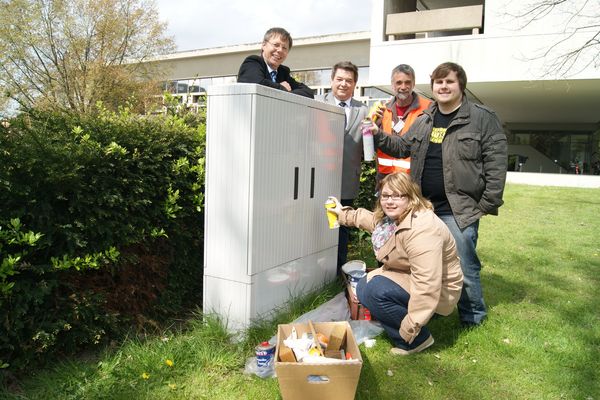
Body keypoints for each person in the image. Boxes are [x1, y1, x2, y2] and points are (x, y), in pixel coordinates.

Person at [370, 62, 508, 327]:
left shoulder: (481, 118)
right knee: (425, 263)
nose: (443, 87)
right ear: (432, 87)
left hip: (458, 208)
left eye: (449, 82)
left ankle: (473, 317)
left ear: (461, 85)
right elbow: (401, 147)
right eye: (438, 82)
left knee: (463, 265)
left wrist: (488, 202)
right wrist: (377, 134)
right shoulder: (425, 119)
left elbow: (496, 160)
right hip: (423, 208)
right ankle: (428, 312)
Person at [328, 173, 463, 355]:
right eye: (385, 196)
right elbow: (371, 221)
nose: (390, 201)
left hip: (439, 290)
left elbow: (427, 285)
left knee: (373, 290)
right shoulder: (394, 219)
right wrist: (343, 214)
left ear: (411, 197)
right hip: (411, 275)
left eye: (398, 196)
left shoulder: (422, 230)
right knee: (365, 286)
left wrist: (410, 327)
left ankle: (417, 340)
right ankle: (399, 318)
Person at [320, 61, 368, 271]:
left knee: (342, 226)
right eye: (339, 79)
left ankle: (339, 271)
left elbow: (368, 146)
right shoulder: (316, 103)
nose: (343, 84)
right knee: (319, 224)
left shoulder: (363, 110)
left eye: (349, 80)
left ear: (355, 84)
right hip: (319, 177)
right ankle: (317, 270)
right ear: (332, 80)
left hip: (348, 178)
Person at [375, 64, 431, 186]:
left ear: (413, 84)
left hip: (413, 180)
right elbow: (370, 146)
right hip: (385, 179)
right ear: (392, 85)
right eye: (399, 83)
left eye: (407, 82)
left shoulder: (428, 108)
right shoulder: (382, 110)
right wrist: (375, 125)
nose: (403, 87)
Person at [237, 27, 314, 98]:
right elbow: (257, 84)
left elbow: (308, 93)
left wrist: (287, 93)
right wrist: (281, 88)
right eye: (276, 45)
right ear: (264, 45)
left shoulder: (283, 72)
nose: (280, 50)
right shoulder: (253, 62)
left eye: (284, 48)